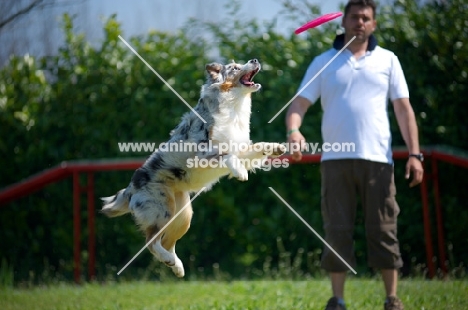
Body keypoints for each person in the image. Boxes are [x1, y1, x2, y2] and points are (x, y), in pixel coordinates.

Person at [285, 1, 424, 309]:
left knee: (384, 230)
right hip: (335, 162)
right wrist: (294, 131)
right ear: (343, 21)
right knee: (337, 231)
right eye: (354, 17)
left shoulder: (388, 60)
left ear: (373, 24)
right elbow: (298, 105)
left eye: (366, 18)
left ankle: (391, 299)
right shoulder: (324, 62)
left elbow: (403, 109)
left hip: (379, 162)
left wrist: (415, 154)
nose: (360, 22)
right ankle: (337, 300)